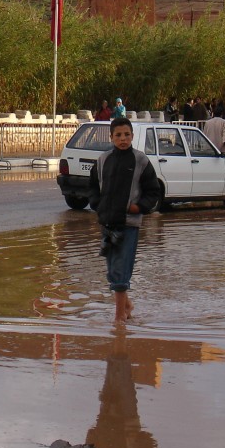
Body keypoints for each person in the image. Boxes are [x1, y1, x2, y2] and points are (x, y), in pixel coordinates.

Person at [87, 117, 161, 322]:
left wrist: (137, 207)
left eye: (127, 135)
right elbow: (92, 186)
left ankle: (119, 318)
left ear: (132, 137)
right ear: (111, 137)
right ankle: (127, 305)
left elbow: (153, 191)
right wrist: (97, 205)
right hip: (107, 223)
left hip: (129, 225)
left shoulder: (140, 160)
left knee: (120, 271)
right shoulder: (103, 160)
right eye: (118, 135)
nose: (123, 139)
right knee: (112, 271)